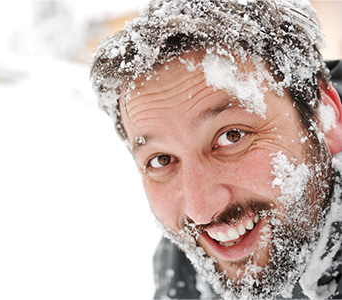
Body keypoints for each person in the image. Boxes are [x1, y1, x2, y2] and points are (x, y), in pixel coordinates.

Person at [90, 0, 342, 299]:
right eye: (162, 159)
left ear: (325, 116)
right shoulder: (184, 264)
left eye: (231, 136)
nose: (200, 210)